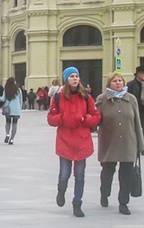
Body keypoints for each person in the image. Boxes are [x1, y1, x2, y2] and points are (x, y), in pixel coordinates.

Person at [48, 67, 100, 217]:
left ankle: (77, 203)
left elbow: (96, 116)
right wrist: (62, 118)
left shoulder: (86, 97)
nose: (75, 79)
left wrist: (85, 119)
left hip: (82, 140)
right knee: (64, 173)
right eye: (71, 76)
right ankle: (61, 191)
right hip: (65, 140)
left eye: (77, 76)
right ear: (66, 79)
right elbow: (51, 119)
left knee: (80, 174)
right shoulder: (57, 97)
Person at [96, 71, 144, 215]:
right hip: (108, 142)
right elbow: (95, 119)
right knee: (107, 171)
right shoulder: (102, 99)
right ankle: (104, 193)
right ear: (109, 84)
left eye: (120, 81)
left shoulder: (131, 99)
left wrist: (140, 145)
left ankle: (123, 202)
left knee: (126, 174)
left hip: (128, 142)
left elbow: (136, 122)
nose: (118, 83)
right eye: (115, 81)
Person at [126, 66, 144, 155]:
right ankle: (136, 148)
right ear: (137, 74)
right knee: (135, 131)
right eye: (142, 73)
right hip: (136, 111)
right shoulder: (131, 85)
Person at [2, 77, 22, 144]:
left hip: (8, 109)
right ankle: (12, 139)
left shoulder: (6, 90)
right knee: (14, 124)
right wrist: (20, 108)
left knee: (8, 122)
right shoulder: (18, 90)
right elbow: (20, 100)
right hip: (16, 109)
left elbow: (3, 99)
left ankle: (7, 134)